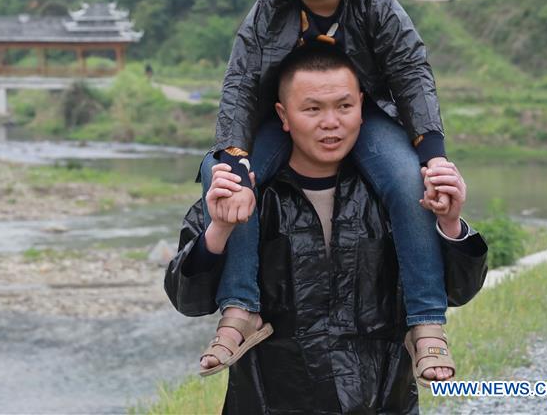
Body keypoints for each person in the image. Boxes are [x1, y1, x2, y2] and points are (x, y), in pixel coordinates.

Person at [195, 0, 467, 383]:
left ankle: (426, 323)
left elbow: (411, 75)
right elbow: (238, 86)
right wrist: (234, 157)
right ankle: (240, 308)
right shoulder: (266, 12)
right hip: (282, 121)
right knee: (223, 176)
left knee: (408, 181)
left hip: (365, 115)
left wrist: (432, 156)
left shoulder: (377, 4)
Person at [166, 48, 487, 413]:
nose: (330, 122)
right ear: (283, 116)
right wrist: (220, 230)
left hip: (380, 403)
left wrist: (450, 223)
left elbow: (459, 291)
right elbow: (187, 300)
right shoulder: (246, 193)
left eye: (344, 107)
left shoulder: (399, 194)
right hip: (268, 404)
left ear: (362, 109)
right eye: (313, 109)